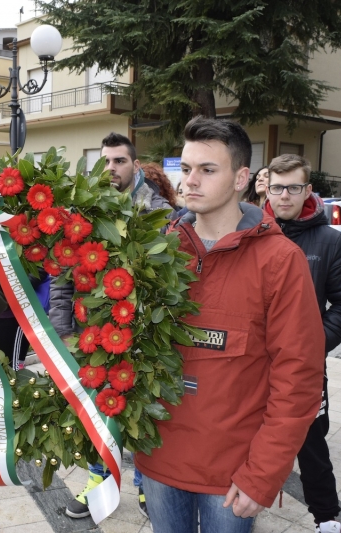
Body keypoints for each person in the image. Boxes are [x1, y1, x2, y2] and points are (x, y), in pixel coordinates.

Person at [135, 117, 325, 533]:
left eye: (207, 170)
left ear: (242, 178)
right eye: (185, 170)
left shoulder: (280, 260)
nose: (190, 182)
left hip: (231, 471)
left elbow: (299, 381)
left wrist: (263, 474)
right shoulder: (156, 248)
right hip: (159, 458)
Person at [56, 132, 170, 520]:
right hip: (91, 335)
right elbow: (63, 275)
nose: (111, 168)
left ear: (135, 166)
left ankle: (143, 483)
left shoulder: (161, 213)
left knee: (139, 409)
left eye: (119, 161)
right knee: (97, 412)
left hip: (141, 334)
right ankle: (98, 482)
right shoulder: (86, 209)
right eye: (105, 161)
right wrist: (63, 327)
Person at [265, 154, 341, 533]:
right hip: (252, 363)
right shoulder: (249, 232)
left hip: (304, 368)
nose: (285, 195)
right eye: (277, 187)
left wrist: (314, 343)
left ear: (308, 190)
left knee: (310, 445)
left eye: (294, 187)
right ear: (267, 187)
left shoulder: (330, 241)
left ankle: (326, 518)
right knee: (243, 436)